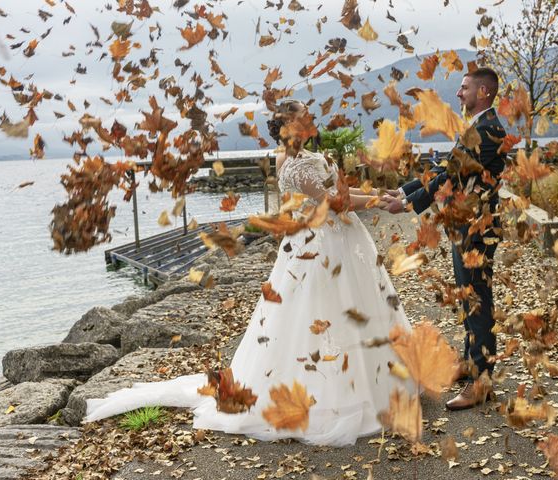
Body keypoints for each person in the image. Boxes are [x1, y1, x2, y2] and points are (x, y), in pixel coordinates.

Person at [85, 100, 417, 446]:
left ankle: (359, 386)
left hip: (328, 241)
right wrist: (379, 199)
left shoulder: (295, 155)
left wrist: (374, 194)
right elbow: (334, 202)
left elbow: (337, 195)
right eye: (304, 117)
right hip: (320, 245)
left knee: (335, 312)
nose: (310, 121)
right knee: (324, 314)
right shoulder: (296, 164)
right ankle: (336, 397)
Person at [381, 67, 507, 411]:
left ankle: (481, 383)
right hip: (463, 225)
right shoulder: (477, 126)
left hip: (478, 229)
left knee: (478, 301)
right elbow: (445, 168)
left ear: (483, 92)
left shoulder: (490, 130)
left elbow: (452, 174)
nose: (458, 94)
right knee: (468, 297)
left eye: (464, 88)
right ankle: (469, 363)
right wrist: (405, 189)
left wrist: (408, 203)